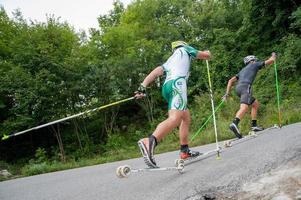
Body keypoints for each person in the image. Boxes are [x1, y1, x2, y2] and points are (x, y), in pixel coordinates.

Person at [134, 41, 211, 168]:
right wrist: (208, 53)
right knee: (175, 118)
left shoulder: (170, 60)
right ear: (182, 45)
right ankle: (150, 141)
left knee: (185, 117)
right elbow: (204, 55)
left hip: (167, 87)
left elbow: (156, 72)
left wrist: (142, 87)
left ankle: (184, 150)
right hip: (178, 84)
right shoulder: (185, 49)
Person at [223, 52, 277, 138]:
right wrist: (273, 56)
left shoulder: (242, 70)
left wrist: (227, 93)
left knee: (255, 104)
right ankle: (234, 123)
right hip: (246, 87)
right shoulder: (254, 65)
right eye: (255, 60)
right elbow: (270, 61)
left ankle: (254, 126)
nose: (256, 61)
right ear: (252, 61)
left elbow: (230, 81)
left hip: (238, 89)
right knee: (244, 107)